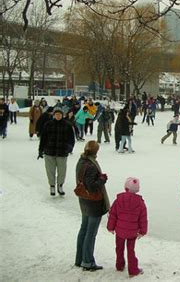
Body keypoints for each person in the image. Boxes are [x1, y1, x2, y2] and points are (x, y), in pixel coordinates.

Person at [75, 140, 110, 271]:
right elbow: (91, 186)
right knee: (90, 233)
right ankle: (87, 261)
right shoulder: (90, 165)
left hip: (84, 200)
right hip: (93, 203)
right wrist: (102, 179)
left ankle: (80, 258)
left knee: (84, 229)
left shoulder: (81, 161)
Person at [107, 177, 147, 277]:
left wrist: (110, 227)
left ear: (125, 188)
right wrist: (143, 231)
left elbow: (113, 214)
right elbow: (143, 218)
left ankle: (120, 265)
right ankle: (133, 270)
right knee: (131, 250)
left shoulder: (118, 200)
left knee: (119, 248)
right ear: (137, 189)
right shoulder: (140, 203)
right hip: (132, 233)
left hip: (119, 231)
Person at [38, 108, 75, 196]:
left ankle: (60, 185)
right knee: (50, 171)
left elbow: (71, 139)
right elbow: (43, 138)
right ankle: (52, 186)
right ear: (54, 115)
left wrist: (69, 148)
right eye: (56, 114)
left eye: (60, 114)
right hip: (49, 151)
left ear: (62, 115)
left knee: (62, 171)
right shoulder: (48, 124)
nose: (58, 116)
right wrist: (40, 150)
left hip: (62, 152)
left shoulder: (67, 125)